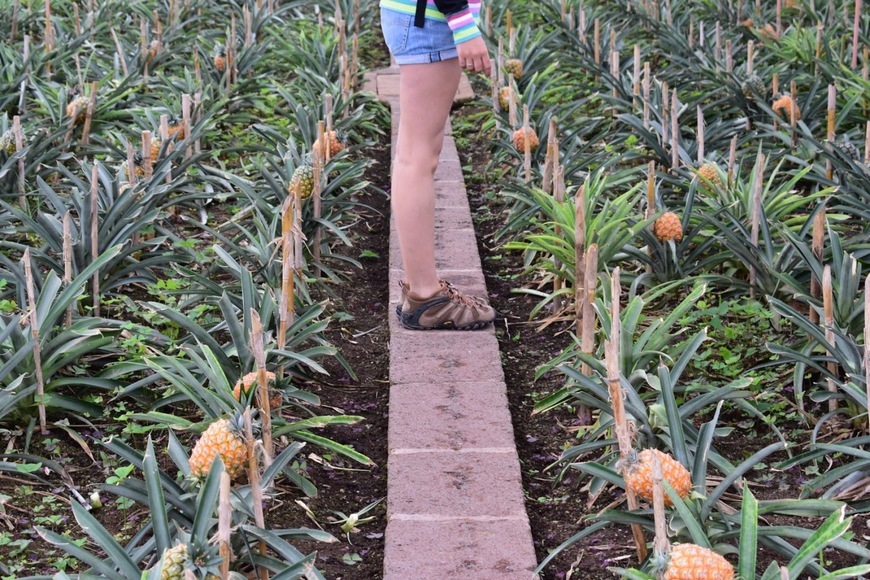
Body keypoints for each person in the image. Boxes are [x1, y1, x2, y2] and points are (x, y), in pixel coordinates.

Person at [380, 0, 497, 330]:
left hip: (422, 17)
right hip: (430, 20)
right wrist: (462, 23)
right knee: (417, 158)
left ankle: (421, 288)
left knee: (417, 155)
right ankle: (425, 295)